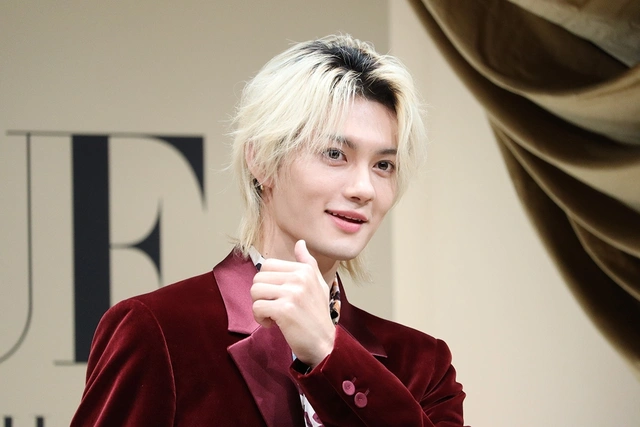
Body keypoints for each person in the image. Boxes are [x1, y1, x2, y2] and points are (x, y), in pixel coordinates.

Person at [71, 34, 466, 426]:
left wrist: (331, 353)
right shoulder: (158, 331)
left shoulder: (422, 365)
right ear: (261, 159)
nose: (364, 189)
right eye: (335, 154)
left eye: (383, 165)